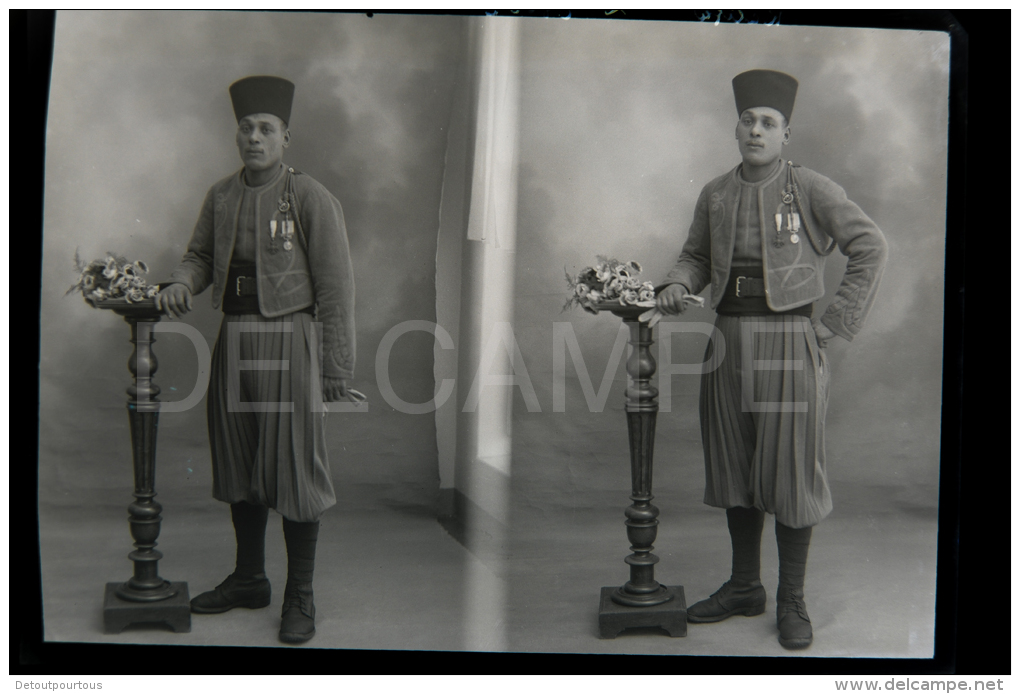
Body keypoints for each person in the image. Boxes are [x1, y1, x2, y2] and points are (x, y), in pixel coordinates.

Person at [655, 69, 887, 650]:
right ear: (736, 128)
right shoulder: (714, 192)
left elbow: (870, 246)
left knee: (789, 473)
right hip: (726, 341)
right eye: (747, 120)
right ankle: (743, 586)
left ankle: (791, 599)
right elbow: (693, 258)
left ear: (787, 134)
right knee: (734, 467)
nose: (756, 130)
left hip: (789, 341)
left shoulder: (810, 188)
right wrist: (677, 284)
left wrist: (835, 323)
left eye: (768, 122)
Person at [156, 75, 356, 644]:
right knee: (238, 462)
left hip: (288, 338)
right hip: (233, 339)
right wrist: (180, 282)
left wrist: (337, 367)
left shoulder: (309, 196)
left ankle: (301, 594)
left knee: (294, 466)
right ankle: (249, 578)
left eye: (265, 128)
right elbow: (197, 256)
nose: (253, 137)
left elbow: (338, 287)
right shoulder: (221, 195)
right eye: (245, 128)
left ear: (285, 137)